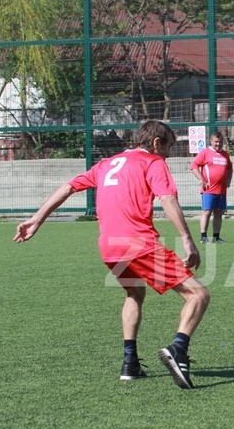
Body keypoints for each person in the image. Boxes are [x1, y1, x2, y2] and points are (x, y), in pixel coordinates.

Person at [14, 120, 210, 390]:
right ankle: (178, 349)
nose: (167, 154)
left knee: (134, 294)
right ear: (155, 143)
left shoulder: (107, 163)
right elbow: (167, 199)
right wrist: (188, 240)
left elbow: (68, 187)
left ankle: (130, 362)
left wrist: (37, 219)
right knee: (198, 294)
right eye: (167, 147)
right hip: (138, 244)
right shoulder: (153, 163)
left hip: (109, 247)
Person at [190, 131, 233, 244]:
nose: (218, 144)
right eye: (216, 142)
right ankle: (203, 237)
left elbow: (229, 168)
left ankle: (216, 237)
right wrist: (201, 179)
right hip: (208, 190)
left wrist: (229, 179)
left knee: (219, 213)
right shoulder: (205, 153)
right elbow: (193, 166)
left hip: (222, 190)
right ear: (211, 141)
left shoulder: (225, 154)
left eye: (220, 142)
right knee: (207, 212)